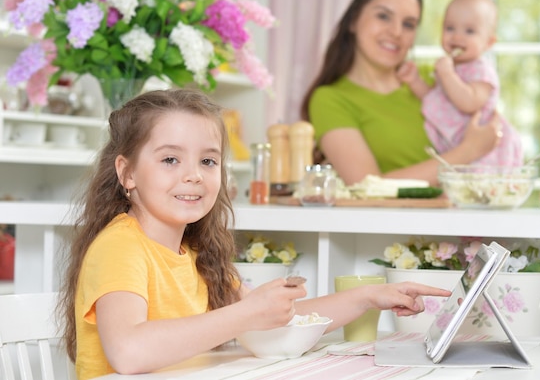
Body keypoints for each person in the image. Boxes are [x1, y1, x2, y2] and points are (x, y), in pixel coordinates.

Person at [58, 89, 451, 380]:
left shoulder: (197, 253)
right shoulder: (120, 246)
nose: (193, 174)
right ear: (127, 173)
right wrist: (243, 314)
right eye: (170, 159)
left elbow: (280, 320)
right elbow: (129, 352)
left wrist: (369, 296)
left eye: (208, 160)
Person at [301, 0, 502, 186]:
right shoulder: (330, 100)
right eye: (383, 16)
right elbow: (367, 186)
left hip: (463, 215)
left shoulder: (435, 79)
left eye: (408, 24)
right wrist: (468, 151)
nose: (396, 32)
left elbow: (485, 119)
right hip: (391, 220)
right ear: (353, 20)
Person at [397, 0, 523, 166]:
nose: (457, 36)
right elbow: (435, 99)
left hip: (485, 151)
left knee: (479, 189)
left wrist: (447, 74)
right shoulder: (450, 68)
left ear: (488, 42)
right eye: (449, 28)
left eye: (470, 31)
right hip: (457, 146)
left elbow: (469, 102)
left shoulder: (480, 70)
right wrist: (414, 80)